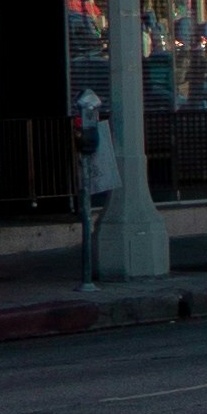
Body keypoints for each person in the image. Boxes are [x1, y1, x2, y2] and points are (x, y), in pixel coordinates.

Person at [74, 89, 121, 289]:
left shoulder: (92, 124)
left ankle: (87, 280)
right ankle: (86, 280)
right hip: (86, 139)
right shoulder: (86, 122)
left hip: (89, 139)